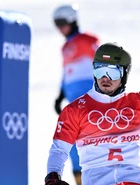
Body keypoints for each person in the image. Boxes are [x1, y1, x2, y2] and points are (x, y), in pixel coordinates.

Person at [45, 42, 140, 185]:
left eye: (112, 72)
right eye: (100, 70)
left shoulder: (137, 103)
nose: (105, 78)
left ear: (124, 74)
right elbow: (59, 149)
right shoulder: (75, 110)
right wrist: (53, 176)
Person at [52, 4, 100, 185]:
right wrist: (60, 94)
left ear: (73, 20)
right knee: (71, 140)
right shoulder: (65, 47)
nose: (60, 27)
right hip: (73, 102)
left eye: (63, 22)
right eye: (57, 23)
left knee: (92, 138)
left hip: (90, 99)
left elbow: (103, 64)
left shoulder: (88, 40)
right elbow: (66, 72)